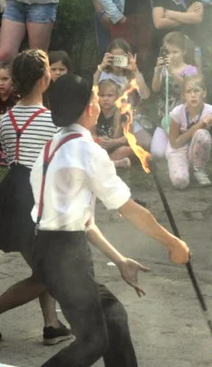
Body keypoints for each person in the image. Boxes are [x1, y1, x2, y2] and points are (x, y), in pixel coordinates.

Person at [29, 72, 190, 367]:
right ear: (89, 108)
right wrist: (172, 243)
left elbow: (82, 222)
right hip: (65, 255)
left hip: (51, 249)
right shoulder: (86, 150)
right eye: (94, 98)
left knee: (114, 319)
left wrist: (119, 260)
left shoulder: (53, 145)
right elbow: (128, 209)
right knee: (94, 342)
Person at [0, 49, 73, 347]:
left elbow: (14, 157)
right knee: (49, 274)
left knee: (42, 268)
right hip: (36, 195)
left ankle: (51, 325)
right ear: (43, 79)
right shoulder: (52, 121)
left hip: (12, 192)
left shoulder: (9, 118)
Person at [93, 38, 152, 147]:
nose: (118, 62)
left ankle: (122, 146)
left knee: (147, 142)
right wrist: (101, 67)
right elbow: (92, 90)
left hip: (128, 117)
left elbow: (145, 95)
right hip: (109, 116)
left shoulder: (132, 75)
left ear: (128, 57)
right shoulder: (104, 74)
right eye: (114, 58)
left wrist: (135, 71)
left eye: (121, 58)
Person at [150, 31, 199, 158]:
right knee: (157, 153)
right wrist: (157, 71)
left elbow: (188, 90)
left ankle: (185, 145)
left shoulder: (191, 70)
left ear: (184, 52)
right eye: (168, 52)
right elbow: (155, 88)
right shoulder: (163, 69)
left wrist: (172, 71)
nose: (171, 56)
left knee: (171, 153)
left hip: (182, 120)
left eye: (175, 52)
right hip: (165, 117)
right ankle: (174, 145)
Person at [166, 74, 212, 188]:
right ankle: (183, 168)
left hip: (196, 150)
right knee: (180, 182)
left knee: (202, 134)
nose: (193, 95)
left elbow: (204, 139)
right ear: (184, 95)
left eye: (196, 91)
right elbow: (174, 143)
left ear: (204, 93)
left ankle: (199, 169)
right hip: (178, 149)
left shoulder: (210, 111)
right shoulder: (177, 112)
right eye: (188, 91)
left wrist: (207, 124)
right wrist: (201, 123)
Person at [95, 79, 134, 167]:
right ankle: (115, 163)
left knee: (128, 149)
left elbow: (129, 138)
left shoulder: (123, 113)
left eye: (110, 95)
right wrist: (98, 140)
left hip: (116, 147)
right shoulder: (95, 112)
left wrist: (114, 142)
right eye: (102, 95)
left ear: (117, 97)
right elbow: (89, 134)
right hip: (99, 147)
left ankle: (103, 163)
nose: (105, 99)